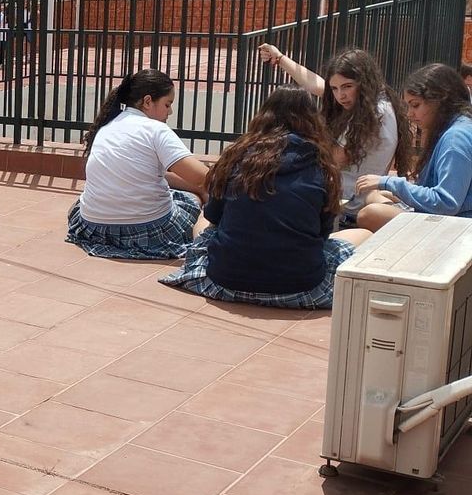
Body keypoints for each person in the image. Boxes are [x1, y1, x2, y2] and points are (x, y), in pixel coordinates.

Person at [161, 89, 371, 310]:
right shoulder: (322, 164)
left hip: (227, 278)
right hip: (300, 284)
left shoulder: (236, 156)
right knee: (364, 234)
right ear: (312, 120)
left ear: (263, 116)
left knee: (205, 219)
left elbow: (214, 215)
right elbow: (323, 233)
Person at [67, 69, 210, 259]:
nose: (170, 112)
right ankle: (203, 244)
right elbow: (203, 177)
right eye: (167, 104)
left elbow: (144, 173)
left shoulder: (109, 125)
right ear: (148, 101)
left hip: (95, 226)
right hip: (147, 231)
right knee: (193, 201)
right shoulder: (156, 130)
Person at [258, 44, 409, 223]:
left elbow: (333, 158)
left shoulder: (373, 114)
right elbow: (317, 86)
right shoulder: (376, 100)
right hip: (351, 197)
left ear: (364, 82)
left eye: (347, 87)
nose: (340, 96)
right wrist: (281, 58)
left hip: (351, 205)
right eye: (335, 89)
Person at [356, 63, 472, 231]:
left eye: (415, 105)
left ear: (440, 101)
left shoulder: (456, 138)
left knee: (369, 214)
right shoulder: (453, 127)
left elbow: (447, 203)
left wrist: (391, 183)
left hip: (457, 227)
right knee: (374, 196)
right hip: (450, 218)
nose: (410, 114)